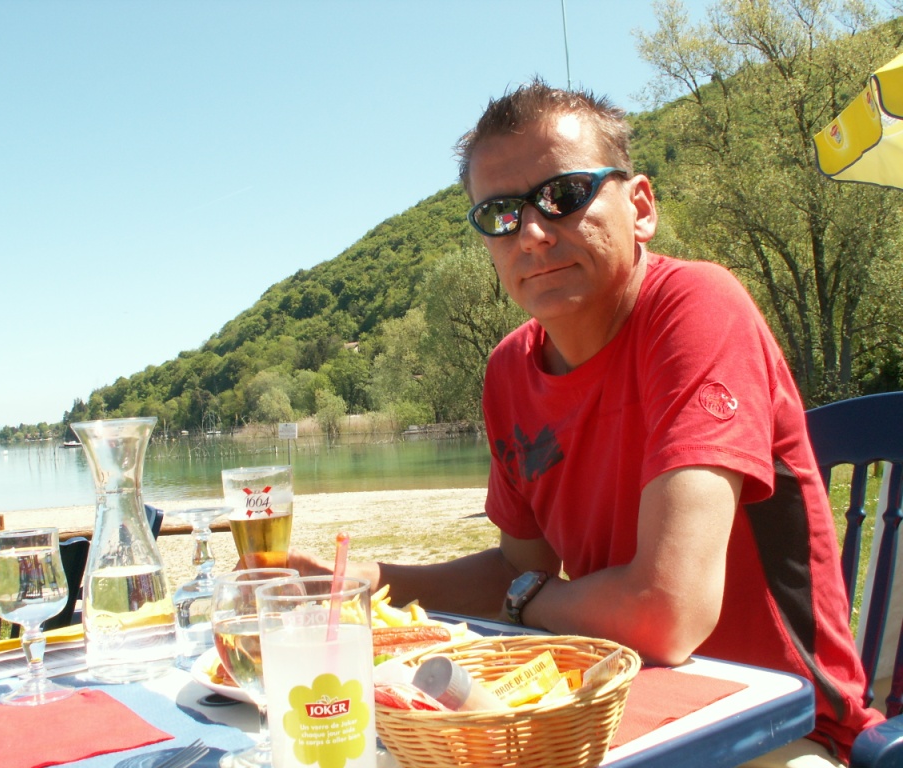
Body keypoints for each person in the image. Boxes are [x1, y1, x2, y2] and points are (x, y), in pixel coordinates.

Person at [290, 78, 883, 766]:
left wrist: (527, 601)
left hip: (779, 727)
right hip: (607, 714)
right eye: (501, 215)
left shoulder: (696, 311)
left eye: (564, 195)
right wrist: (368, 582)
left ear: (641, 206)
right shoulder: (510, 372)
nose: (534, 233)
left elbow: (665, 614)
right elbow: (519, 568)